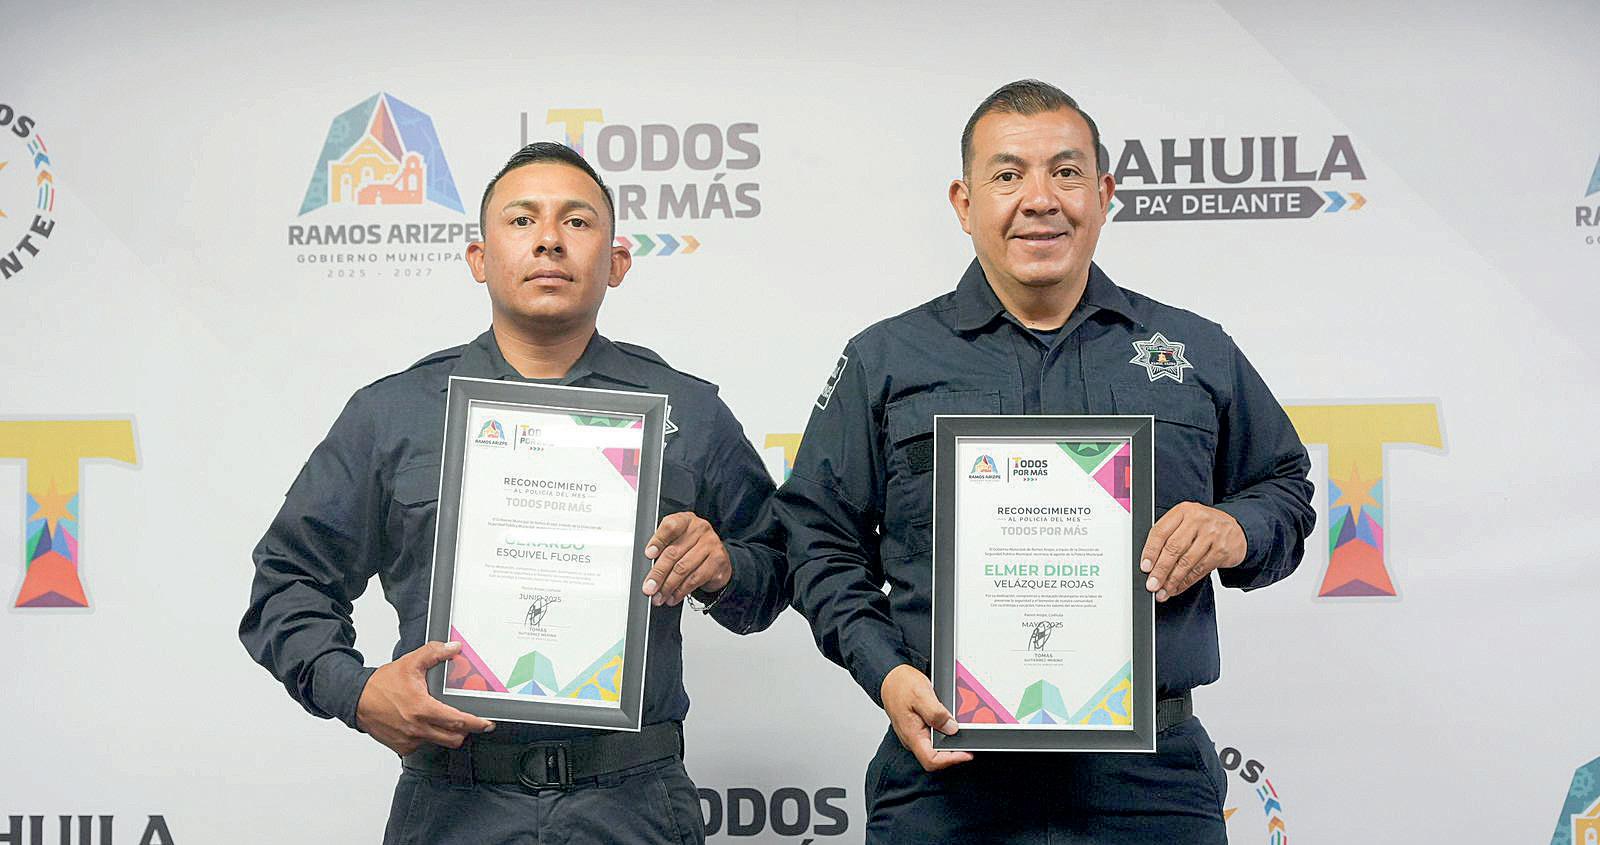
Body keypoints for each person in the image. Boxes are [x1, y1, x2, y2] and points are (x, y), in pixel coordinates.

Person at [776, 79, 1315, 842]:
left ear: (1104, 195)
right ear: (964, 203)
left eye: (1066, 172)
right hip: (946, 780)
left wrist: (1236, 528)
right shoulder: (887, 360)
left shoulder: (1194, 350)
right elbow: (815, 537)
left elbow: (1284, 487)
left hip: (1151, 785)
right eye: (1008, 175)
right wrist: (887, 671)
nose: (1040, 199)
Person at [241, 142, 788, 844]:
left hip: (633, 803)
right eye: (523, 220)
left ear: (617, 262)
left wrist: (725, 567)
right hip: (453, 801)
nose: (550, 239)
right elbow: (288, 580)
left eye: (578, 222)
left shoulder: (689, 412)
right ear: (479, 258)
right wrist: (355, 689)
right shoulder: (393, 413)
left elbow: (778, 570)